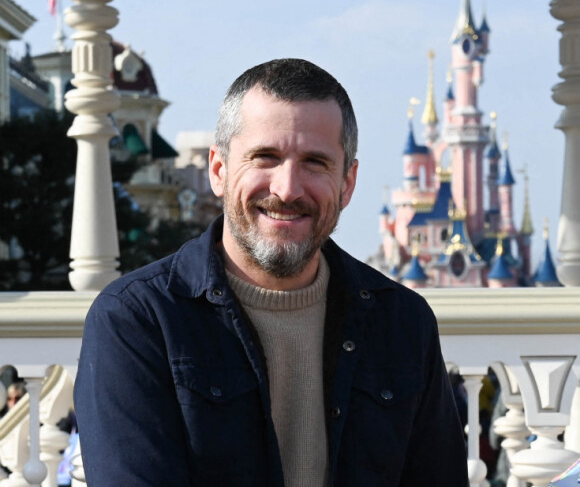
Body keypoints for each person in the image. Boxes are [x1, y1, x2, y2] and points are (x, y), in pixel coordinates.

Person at [74, 58, 468, 486]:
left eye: (316, 162)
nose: (287, 189)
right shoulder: (139, 320)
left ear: (347, 183)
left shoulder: (403, 323)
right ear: (220, 170)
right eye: (265, 157)